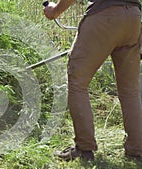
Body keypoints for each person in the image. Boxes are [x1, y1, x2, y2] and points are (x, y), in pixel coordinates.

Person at [43, 0, 142, 161]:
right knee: (130, 90)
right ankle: (136, 149)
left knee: (77, 82)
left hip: (104, 15)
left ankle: (84, 147)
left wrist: (55, 10)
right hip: (133, 16)